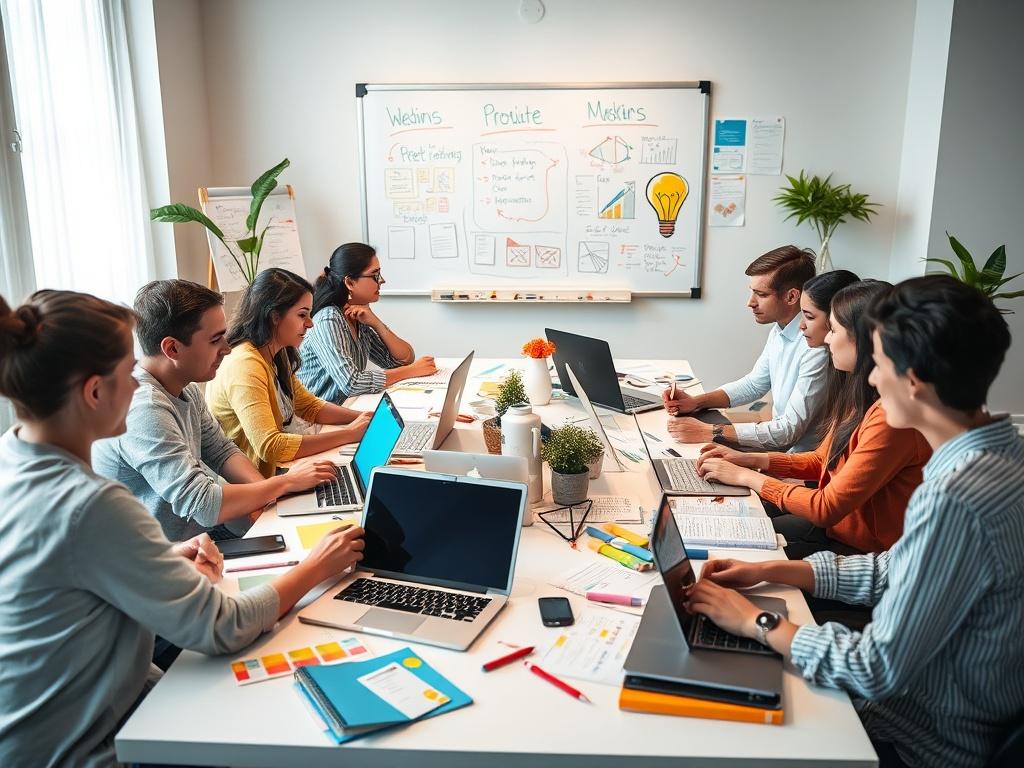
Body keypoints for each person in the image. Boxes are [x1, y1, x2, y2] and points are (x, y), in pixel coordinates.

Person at [0, 289, 366, 767]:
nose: (136, 382)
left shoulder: (13, 455)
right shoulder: (93, 504)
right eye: (126, 371)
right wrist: (317, 566)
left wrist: (157, 560)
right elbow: (222, 627)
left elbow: (65, 575)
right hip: (88, 748)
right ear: (94, 392)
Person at [684, 275, 1023, 768]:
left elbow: (873, 668)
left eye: (879, 364)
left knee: (713, 712)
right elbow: (892, 570)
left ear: (913, 381)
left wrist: (754, 620)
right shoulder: (1002, 456)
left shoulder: (956, 498)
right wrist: (774, 570)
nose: (872, 380)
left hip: (918, 738)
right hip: (920, 709)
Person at [697, 280, 932, 557]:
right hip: (836, 528)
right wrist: (748, 460)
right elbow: (822, 460)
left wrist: (744, 476)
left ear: (864, 339)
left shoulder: (890, 417)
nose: (828, 339)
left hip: (861, 549)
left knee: (736, 543)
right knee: (729, 522)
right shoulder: (857, 394)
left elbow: (825, 507)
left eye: (834, 330)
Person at [93, 280, 338, 542]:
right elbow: (203, 503)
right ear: (172, 348)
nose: (227, 348)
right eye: (215, 340)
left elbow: (222, 451)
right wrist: (286, 483)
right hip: (158, 555)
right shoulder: (143, 408)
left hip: (195, 535)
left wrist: (271, 498)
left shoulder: (185, 388)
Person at [206, 268, 372, 477]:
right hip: (257, 483)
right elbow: (270, 446)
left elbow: (308, 406)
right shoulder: (244, 364)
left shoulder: (276, 352)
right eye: (302, 315)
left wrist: (364, 420)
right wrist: (349, 434)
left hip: (278, 471)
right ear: (274, 316)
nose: (310, 323)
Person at [663, 245, 828, 452]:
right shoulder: (779, 331)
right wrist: (696, 402)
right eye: (752, 292)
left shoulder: (816, 347)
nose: (750, 303)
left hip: (800, 460)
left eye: (761, 294)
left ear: (792, 297)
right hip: (781, 452)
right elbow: (754, 385)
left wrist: (708, 431)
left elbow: (787, 432)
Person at [298, 242, 437, 400]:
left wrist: (377, 324)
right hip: (320, 415)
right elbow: (352, 383)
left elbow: (399, 361)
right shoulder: (328, 319)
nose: (382, 280)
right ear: (350, 282)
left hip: (347, 408)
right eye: (375, 275)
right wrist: (412, 371)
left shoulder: (357, 316)